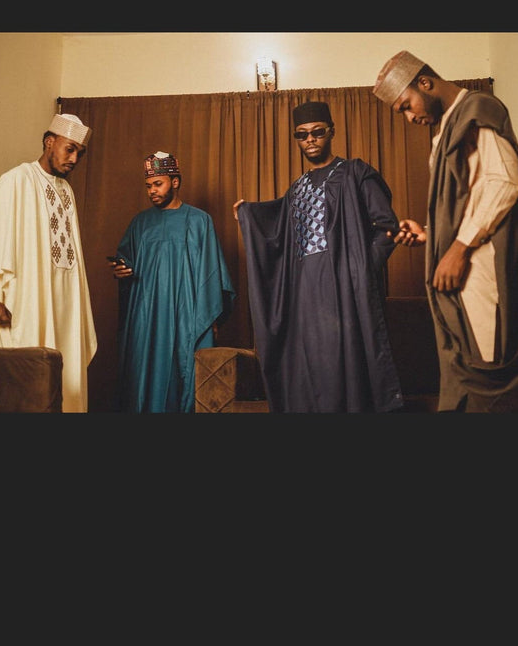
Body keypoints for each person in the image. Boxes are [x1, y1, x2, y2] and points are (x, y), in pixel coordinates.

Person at [233, 100, 404, 413]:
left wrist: (360, 270)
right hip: (304, 293)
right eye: (302, 135)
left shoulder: (355, 173)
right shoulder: (296, 189)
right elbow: (276, 236)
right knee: (311, 369)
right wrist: (247, 216)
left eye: (317, 132)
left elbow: (387, 228)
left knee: (344, 364)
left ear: (331, 132)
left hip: (345, 287)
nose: (310, 139)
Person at [373, 50, 518, 412]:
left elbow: (504, 184)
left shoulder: (479, 110)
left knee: (489, 381)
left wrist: (458, 248)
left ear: (425, 82)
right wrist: (429, 234)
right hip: (462, 274)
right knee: (463, 376)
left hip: (484, 273)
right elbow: (471, 199)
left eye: (406, 106)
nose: (409, 118)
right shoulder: (445, 132)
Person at [0, 113, 97, 413]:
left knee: (66, 372)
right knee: (27, 382)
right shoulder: (16, 180)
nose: (74, 158)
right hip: (26, 301)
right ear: (50, 142)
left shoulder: (67, 192)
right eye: (69, 149)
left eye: (79, 153)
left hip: (65, 306)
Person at [109, 151, 236, 413]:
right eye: (148, 186)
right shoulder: (140, 224)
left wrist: (210, 318)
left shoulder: (200, 221)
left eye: (158, 184)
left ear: (175, 182)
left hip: (186, 315)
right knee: (143, 373)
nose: (152, 191)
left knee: (183, 375)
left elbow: (213, 273)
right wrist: (120, 271)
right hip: (147, 316)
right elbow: (125, 261)